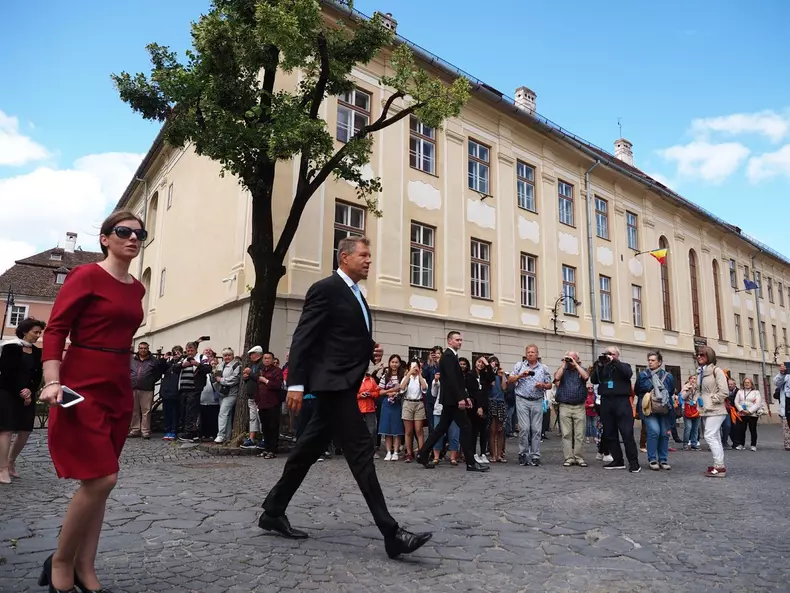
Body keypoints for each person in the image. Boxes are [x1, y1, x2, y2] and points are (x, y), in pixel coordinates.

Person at [259, 236, 431, 559]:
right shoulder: (325, 289)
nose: (369, 260)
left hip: (343, 384)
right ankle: (391, 533)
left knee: (306, 451)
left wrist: (370, 349)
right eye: (363, 255)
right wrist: (295, 384)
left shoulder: (357, 294)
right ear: (344, 258)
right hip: (333, 385)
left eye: (369, 255)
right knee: (362, 450)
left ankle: (273, 510)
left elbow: (340, 336)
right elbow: (304, 336)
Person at [37, 210, 146, 593]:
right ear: (105, 238)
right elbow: (55, 329)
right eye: (124, 231)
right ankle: (60, 561)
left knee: (101, 483)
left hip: (118, 384)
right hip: (81, 383)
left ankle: (85, 566)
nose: (132, 238)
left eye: (139, 234)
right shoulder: (85, 275)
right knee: (102, 477)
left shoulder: (137, 288)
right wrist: (53, 380)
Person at [416, 331, 489, 473]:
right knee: (466, 427)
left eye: (461, 340)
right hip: (452, 400)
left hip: (451, 399)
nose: (460, 342)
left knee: (441, 428)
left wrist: (465, 396)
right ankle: (470, 463)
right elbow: (451, 379)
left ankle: (422, 453)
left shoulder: (452, 356)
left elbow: (458, 380)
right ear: (449, 341)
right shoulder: (449, 356)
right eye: (457, 340)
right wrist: (460, 398)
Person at [0, 317, 46, 483]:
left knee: (25, 431)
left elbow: (37, 376)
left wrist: (30, 390)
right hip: (8, 392)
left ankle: (11, 461)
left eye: (40, 333)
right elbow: (6, 373)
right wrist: (21, 392)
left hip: (28, 394)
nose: (38, 336)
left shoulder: (37, 352)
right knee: (6, 430)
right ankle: (2, 469)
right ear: (25, 332)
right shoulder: (10, 348)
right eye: (36, 332)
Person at [590, 346, 639, 473]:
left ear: (617, 355)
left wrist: (614, 361)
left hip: (621, 401)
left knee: (627, 433)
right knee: (610, 433)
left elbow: (628, 374)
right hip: (606, 401)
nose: (608, 356)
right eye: (607, 353)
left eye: (611, 354)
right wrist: (599, 366)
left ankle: (634, 463)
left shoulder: (624, 366)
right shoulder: (602, 367)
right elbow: (594, 380)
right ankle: (618, 460)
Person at [508, 345, 552, 467]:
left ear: (537, 354)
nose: (530, 354)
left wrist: (542, 385)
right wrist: (520, 376)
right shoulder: (519, 366)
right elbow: (510, 380)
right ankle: (523, 453)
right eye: (528, 352)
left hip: (537, 400)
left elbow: (549, 384)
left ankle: (535, 455)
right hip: (522, 399)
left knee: (536, 429)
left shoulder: (543, 368)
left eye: (533, 352)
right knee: (525, 428)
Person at [634, 351, 675, 471]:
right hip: (649, 408)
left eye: (653, 360)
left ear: (659, 362)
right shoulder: (643, 375)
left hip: (664, 408)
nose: (650, 362)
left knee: (664, 434)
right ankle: (652, 459)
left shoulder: (668, 376)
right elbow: (637, 390)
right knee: (654, 431)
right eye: (649, 360)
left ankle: (663, 459)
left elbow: (671, 391)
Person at [694, 346, 730, 478]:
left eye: (702, 354)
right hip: (705, 409)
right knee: (715, 437)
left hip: (716, 409)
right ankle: (719, 465)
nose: (699, 357)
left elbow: (724, 391)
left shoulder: (717, 371)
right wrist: (696, 399)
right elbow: (699, 390)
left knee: (709, 435)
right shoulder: (700, 372)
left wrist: (712, 399)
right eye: (698, 354)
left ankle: (719, 467)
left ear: (709, 356)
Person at [554, 352, 590, 468]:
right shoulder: (562, 370)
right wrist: (564, 364)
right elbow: (556, 377)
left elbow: (586, 377)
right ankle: (569, 458)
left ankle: (579, 457)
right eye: (569, 357)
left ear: (578, 359)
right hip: (564, 406)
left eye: (573, 358)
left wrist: (576, 364)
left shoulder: (582, 369)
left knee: (579, 434)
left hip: (579, 406)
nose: (571, 360)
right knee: (566, 434)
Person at [128, 342, 167, 440]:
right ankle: (135, 429)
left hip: (147, 389)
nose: (143, 350)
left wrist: (151, 380)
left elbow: (158, 373)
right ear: (138, 349)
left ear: (148, 349)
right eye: (141, 348)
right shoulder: (132, 360)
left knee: (146, 411)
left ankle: (145, 431)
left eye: (145, 348)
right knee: (134, 410)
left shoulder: (153, 361)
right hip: (133, 388)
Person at [255, 351, 284, 459]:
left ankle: (272, 450)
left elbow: (278, 385)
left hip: (273, 403)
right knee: (265, 427)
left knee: (273, 427)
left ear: (272, 360)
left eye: (268, 358)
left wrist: (266, 381)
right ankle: (266, 448)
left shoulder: (277, 371)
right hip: (262, 403)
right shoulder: (261, 370)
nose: (266, 360)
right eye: (265, 358)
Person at [378, 354, 405, 461]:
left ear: (399, 364)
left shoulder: (402, 376)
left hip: (397, 404)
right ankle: (388, 452)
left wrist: (397, 393)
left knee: (396, 429)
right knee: (387, 429)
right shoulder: (385, 376)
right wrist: (390, 391)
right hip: (387, 403)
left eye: (396, 362)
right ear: (389, 363)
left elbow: (403, 388)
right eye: (392, 362)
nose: (394, 364)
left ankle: (396, 452)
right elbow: (380, 391)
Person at [400, 360, 427, 463]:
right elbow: (402, 388)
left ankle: (421, 452)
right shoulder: (406, 378)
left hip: (419, 403)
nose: (414, 369)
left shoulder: (421, 378)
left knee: (419, 430)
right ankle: (408, 453)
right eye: (412, 367)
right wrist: (408, 374)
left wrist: (419, 375)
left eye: (416, 366)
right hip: (408, 403)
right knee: (408, 431)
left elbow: (424, 388)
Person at [213, 348, 241, 443]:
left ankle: (220, 435)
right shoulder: (220, 365)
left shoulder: (237, 365)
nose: (227, 357)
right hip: (221, 393)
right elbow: (216, 376)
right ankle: (227, 436)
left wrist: (222, 380)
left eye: (229, 355)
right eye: (225, 355)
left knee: (222, 413)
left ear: (232, 355)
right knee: (227, 415)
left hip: (231, 393)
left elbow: (235, 379)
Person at [241, 346, 265, 450]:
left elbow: (260, 378)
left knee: (261, 417)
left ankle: (264, 438)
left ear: (257, 354)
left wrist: (250, 373)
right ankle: (251, 438)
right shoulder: (253, 365)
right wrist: (246, 378)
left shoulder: (262, 365)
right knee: (253, 418)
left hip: (259, 396)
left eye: (251, 354)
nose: (250, 356)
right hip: (251, 396)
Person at [487, 356, 510, 463]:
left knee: (501, 429)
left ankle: (500, 454)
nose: (494, 364)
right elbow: (490, 384)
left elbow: (504, 388)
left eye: (496, 362)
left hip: (501, 402)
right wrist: (491, 371)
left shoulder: (501, 375)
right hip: (491, 401)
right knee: (492, 430)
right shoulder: (488, 374)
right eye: (492, 362)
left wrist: (503, 376)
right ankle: (493, 454)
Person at [732, 377, 762, 451]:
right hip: (742, 413)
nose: (746, 384)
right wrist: (741, 410)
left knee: (753, 429)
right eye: (745, 382)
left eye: (748, 382)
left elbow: (758, 403)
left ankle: (753, 445)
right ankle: (741, 444)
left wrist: (749, 411)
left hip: (752, 414)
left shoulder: (756, 392)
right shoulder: (740, 392)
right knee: (741, 430)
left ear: (751, 384)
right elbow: (736, 402)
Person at [679, 376, 702, 450]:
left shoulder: (697, 388)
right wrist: (689, 390)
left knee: (696, 428)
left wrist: (694, 400)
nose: (693, 380)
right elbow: (683, 397)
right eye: (691, 378)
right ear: (689, 380)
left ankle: (694, 443)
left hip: (696, 409)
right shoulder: (685, 387)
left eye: (694, 379)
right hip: (686, 409)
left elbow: (698, 396)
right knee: (688, 427)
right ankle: (685, 443)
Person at [773, 364, 790, 451]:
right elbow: (776, 382)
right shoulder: (786, 376)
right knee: (786, 427)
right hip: (786, 404)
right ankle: (788, 444)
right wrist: (782, 373)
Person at [720, 377, 738, 449]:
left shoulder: (737, 391)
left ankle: (724, 441)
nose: (729, 385)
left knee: (727, 426)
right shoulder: (722, 389)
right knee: (716, 428)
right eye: (728, 384)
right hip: (718, 410)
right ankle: (717, 443)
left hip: (727, 411)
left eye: (731, 384)